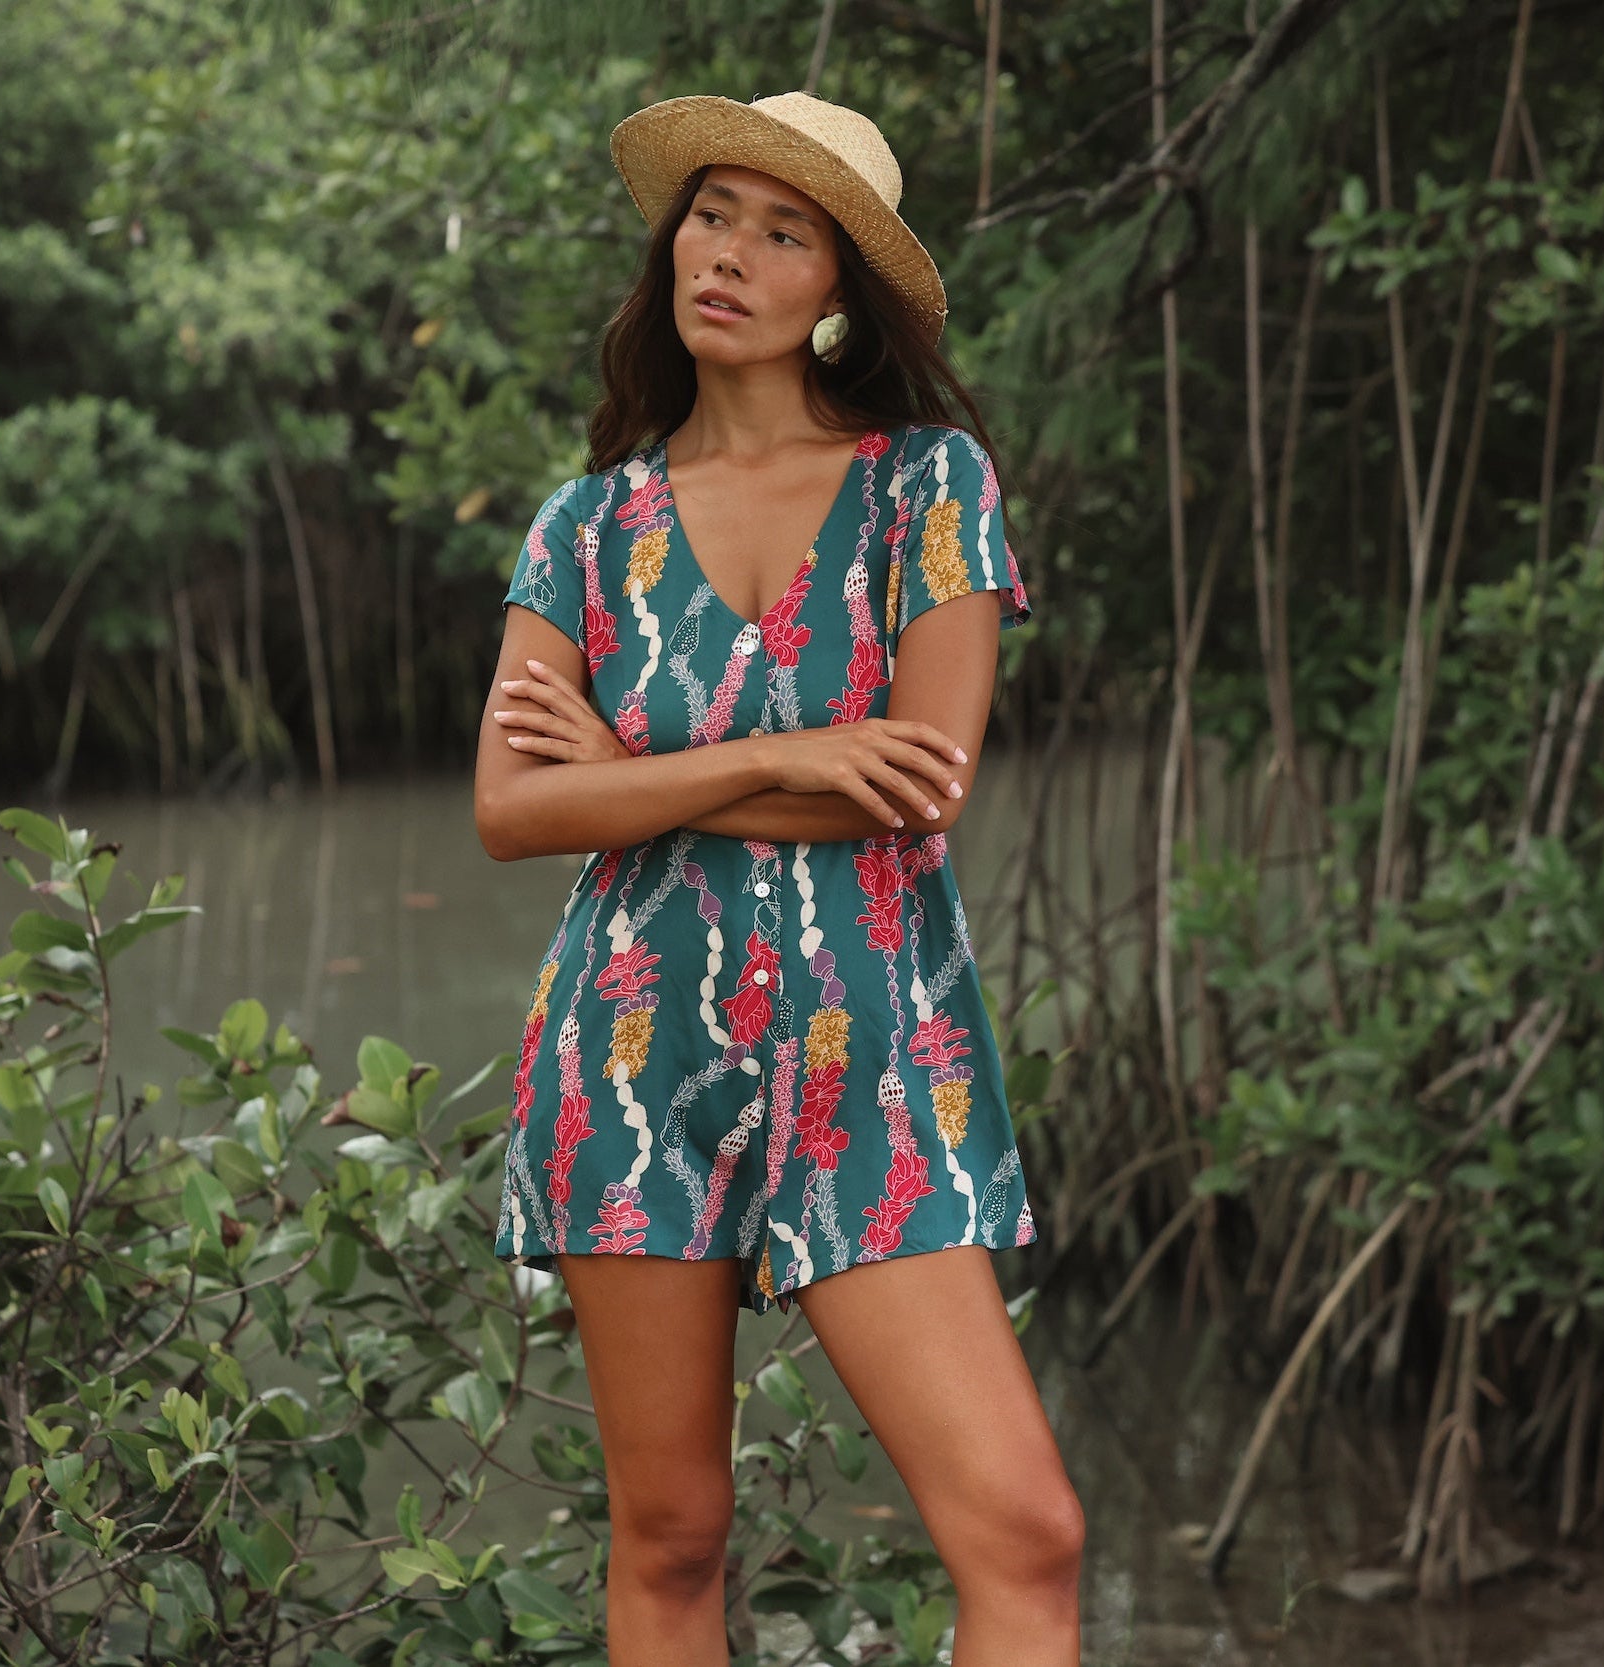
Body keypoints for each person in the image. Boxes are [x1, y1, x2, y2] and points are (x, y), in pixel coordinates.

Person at [473, 90, 1083, 1667]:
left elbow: (919, 786)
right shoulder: (584, 530)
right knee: (672, 1539)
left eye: (783, 231)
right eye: (711, 215)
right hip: (634, 1051)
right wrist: (794, 754)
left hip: (875, 1054)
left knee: (1026, 1536)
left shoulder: (927, 485)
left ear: (838, 293)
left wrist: (632, 778)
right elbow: (511, 812)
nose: (728, 254)